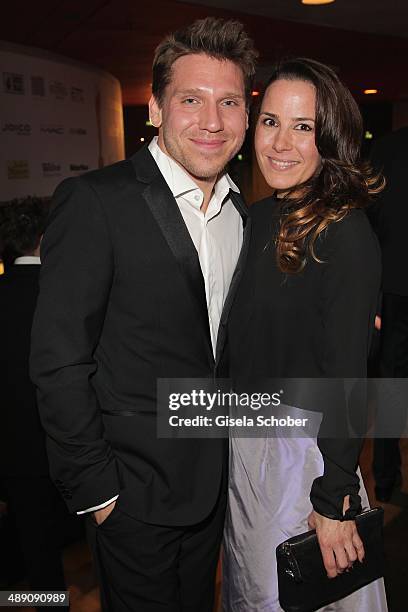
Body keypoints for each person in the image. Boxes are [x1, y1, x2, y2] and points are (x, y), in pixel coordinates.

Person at [30, 17, 257, 612]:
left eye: (229, 102)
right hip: (130, 495)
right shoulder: (96, 201)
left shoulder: (244, 216)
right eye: (191, 100)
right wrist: (98, 489)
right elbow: (58, 360)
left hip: (214, 487)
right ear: (155, 108)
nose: (212, 121)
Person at [223, 58, 388, 610]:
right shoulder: (256, 218)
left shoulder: (344, 231)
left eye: (303, 127)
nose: (280, 143)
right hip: (247, 449)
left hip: (304, 460)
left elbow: (347, 374)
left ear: (330, 137)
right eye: (270, 121)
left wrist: (335, 497)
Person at [0, 197, 67, 610]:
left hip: (16, 449)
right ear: (46, 239)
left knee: (38, 550)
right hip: (75, 444)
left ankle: (48, 602)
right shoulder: (67, 292)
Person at [368, 127, 408, 502]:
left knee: (392, 390)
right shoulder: (387, 149)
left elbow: (371, 219)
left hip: (394, 288)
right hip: (394, 289)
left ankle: (386, 480)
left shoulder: (386, 150)